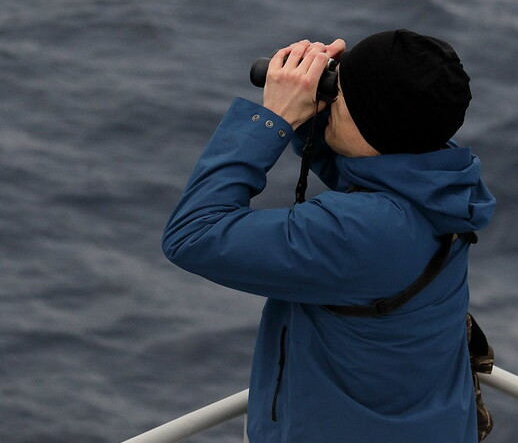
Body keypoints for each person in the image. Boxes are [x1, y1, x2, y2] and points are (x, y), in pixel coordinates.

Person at [162, 29, 496, 443]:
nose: (332, 96)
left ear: (374, 123)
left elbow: (193, 234)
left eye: (340, 93)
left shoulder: (359, 232)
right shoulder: (445, 181)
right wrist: (318, 102)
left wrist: (274, 121)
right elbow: (370, 155)